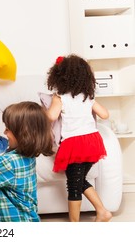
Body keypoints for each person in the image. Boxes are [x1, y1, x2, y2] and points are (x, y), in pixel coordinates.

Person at [45, 54, 113, 222]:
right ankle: (103, 211)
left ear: (59, 76)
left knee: (74, 186)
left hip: (74, 143)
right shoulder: (87, 96)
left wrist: (44, 110)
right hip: (92, 142)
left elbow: (51, 116)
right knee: (79, 180)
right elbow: (105, 114)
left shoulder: (60, 97)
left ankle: (74, 226)